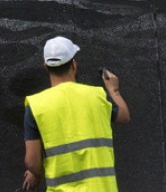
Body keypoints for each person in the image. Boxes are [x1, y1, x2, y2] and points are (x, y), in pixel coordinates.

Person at [22, 36, 130, 191]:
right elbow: (124, 116)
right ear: (73, 64)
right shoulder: (97, 95)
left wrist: (37, 172)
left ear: (45, 67)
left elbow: (32, 161)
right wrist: (114, 90)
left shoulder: (35, 105)